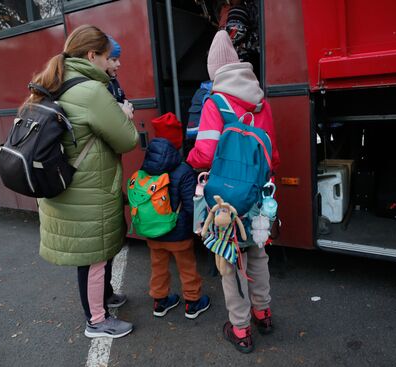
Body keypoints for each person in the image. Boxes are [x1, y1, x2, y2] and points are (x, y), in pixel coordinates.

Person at [33, 24, 139, 339]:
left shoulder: (53, 81)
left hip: (65, 187)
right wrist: (125, 115)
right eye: (109, 57)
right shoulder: (92, 91)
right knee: (94, 258)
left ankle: (104, 298)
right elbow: (128, 140)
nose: (113, 65)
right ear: (92, 55)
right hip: (86, 189)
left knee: (94, 252)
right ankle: (97, 321)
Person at [187, 30, 280, 353]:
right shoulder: (260, 101)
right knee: (258, 252)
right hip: (258, 193)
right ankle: (263, 313)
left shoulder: (216, 101)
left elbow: (205, 153)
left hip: (225, 200)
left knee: (229, 262)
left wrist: (190, 159)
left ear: (215, 70)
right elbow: (272, 154)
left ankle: (240, 329)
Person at [137, 137, 211, 319]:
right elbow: (190, 205)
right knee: (187, 267)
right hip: (178, 233)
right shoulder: (184, 170)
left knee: (158, 267)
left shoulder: (144, 169)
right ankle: (193, 304)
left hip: (153, 232)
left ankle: (160, 302)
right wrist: (200, 227)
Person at [106, 35, 134, 120]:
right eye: (114, 60)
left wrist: (130, 106)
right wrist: (120, 107)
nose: (119, 64)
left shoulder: (114, 80)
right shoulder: (99, 84)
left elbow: (122, 98)